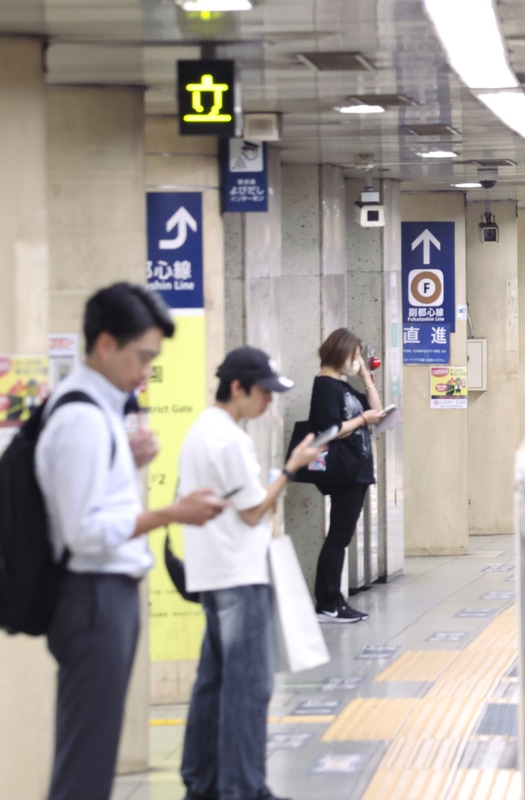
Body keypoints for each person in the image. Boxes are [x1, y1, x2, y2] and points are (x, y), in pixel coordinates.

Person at [34, 282, 226, 800]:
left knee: (91, 752)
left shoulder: (98, 413)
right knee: (87, 761)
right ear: (105, 344)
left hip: (104, 594)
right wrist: (171, 513)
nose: (146, 371)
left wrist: (128, 461)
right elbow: (84, 531)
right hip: (92, 596)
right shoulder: (80, 417)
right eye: (142, 356)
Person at [177, 346, 322, 800]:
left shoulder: (201, 430)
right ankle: (243, 786)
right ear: (237, 387)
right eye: (263, 393)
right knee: (249, 687)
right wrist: (290, 469)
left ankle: (201, 780)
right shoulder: (229, 440)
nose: (268, 403)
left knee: (213, 682)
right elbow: (253, 511)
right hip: (239, 574)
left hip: (212, 573)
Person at [309, 328, 387, 623]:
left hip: (357, 469)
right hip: (343, 471)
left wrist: (366, 377)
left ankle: (332, 600)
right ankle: (328, 601)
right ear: (340, 353)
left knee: (342, 536)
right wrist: (361, 420)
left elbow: (376, 412)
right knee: (338, 537)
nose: (357, 361)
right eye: (355, 355)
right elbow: (328, 430)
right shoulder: (325, 386)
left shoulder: (341, 386)